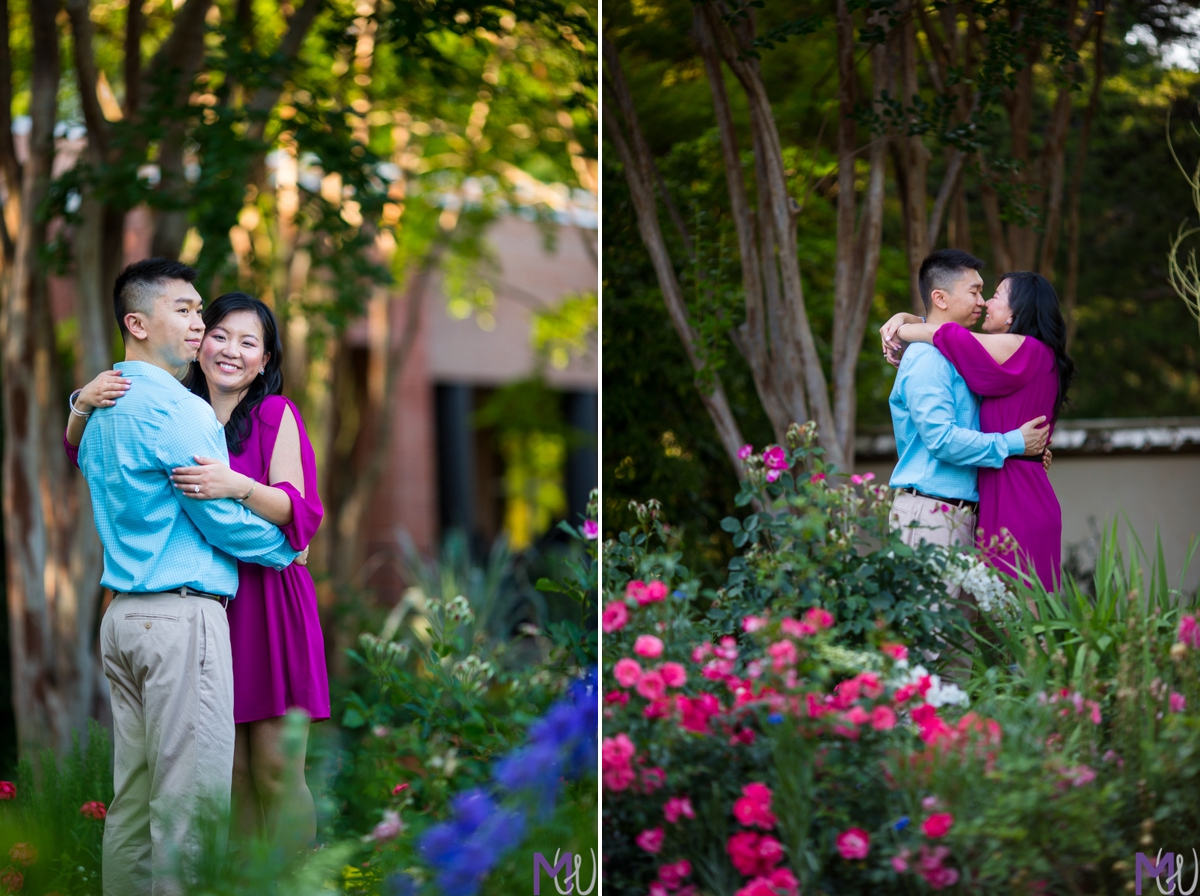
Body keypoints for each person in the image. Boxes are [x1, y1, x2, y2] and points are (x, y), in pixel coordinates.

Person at [66, 258, 299, 896]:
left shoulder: (101, 407)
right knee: (189, 809)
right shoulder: (180, 411)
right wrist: (285, 549)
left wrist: (76, 402)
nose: (200, 324)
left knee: (133, 803)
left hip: (121, 621)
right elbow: (222, 521)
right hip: (181, 619)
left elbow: (78, 447)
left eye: (200, 311)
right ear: (137, 323)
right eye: (186, 310)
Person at [880, 268, 1074, 591]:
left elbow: (951, 337)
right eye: (979, 293)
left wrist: (902, 329)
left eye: (995, 296)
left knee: (1022, 626)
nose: (985, 304)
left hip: (1015, 506)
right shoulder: (1007, 361)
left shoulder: (1023, 348)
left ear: (1016, 314)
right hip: (989, 504)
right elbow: (953, 341)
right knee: (1000, 630)